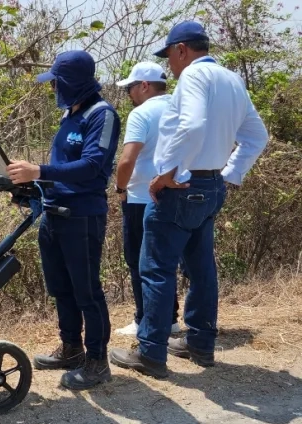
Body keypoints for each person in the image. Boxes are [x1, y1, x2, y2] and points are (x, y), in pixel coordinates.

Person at [110, 21, 268, 378]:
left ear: (181, 49)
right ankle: (200, 342)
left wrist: (171, 173)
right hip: (211, 185)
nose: (171, 65)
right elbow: (257, 135)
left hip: (182, 187)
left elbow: (193, 126)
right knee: (200, 268)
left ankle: (151, 351)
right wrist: (230, 173)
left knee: (155, 269)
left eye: (169, 56)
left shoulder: (194, 78)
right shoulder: (231, 79)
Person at [6, 50, 121, 390]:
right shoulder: (69, 115)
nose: (52, 87)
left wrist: (39, 170)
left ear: (71, 81)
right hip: (53, 213)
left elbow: (92, 166)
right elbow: (61, 169)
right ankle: (71, 348)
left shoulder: (102, 115)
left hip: (82, 217)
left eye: (56, 82)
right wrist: (29, 185)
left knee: (86, 291)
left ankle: (97, 362)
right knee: (61, 288)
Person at [112, 62, 182, 337]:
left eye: (130, 87)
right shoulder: (181, 108)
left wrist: (120, 189)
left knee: (138, 262)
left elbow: (127, 160)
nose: (129, 94)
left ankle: (144, 319)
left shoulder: (142, 114)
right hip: (176, 194)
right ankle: (171, 320)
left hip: (141, 198)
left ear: (144, 85)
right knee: (166, 261)